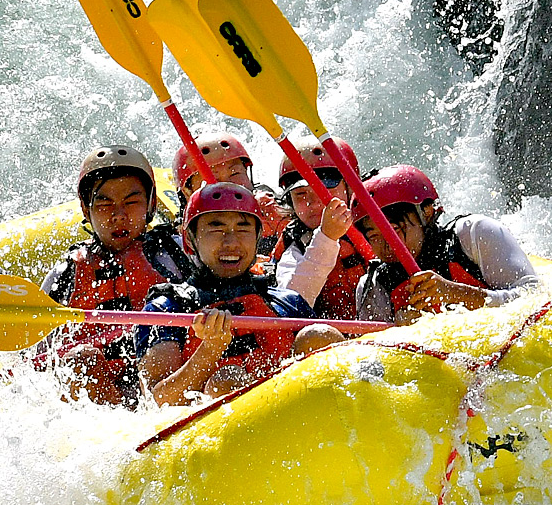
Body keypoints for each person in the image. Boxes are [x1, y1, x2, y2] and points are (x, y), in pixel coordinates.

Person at [137, 183, 340, 406]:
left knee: (320, 336)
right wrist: (209, 351)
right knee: (226, 381)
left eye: (243, 229)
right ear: (190, 240)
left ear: (257, 238)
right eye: (216, 229)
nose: (231, 243)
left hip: (294, 416)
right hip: (215, 432)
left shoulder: (286, 302)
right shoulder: (167, 310)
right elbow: (156, 404)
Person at [37, 146, 191, 407]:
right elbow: (40, 349)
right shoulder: (67, 272)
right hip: (103, 394)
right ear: (87, 210)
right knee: (80, 360)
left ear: (151, 204)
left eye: (131, 202)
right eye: (105, 203)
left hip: (164, 373)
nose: (119, 215)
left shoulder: (175, 251)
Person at [351, 165, 540, 325]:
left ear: (426, 212)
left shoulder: (474, 234)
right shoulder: (375, 285)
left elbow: (533, 296)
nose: (386, 245)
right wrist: (400, 328)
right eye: (374, 236)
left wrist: (457, 294)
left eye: (394, 229)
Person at [271, 136, 368, 320]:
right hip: (329, 339)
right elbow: (293, 304)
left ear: (350, 187)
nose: (313, 203)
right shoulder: (295, 248)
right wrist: (326, 238)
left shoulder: (376, 227)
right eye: (300, 194)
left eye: (324, 190)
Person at [173, 132, 287, 254]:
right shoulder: (184, 235)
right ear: (187, 192)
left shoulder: (270, 208)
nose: (228, 186)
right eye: (212, 178)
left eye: (235, 174)